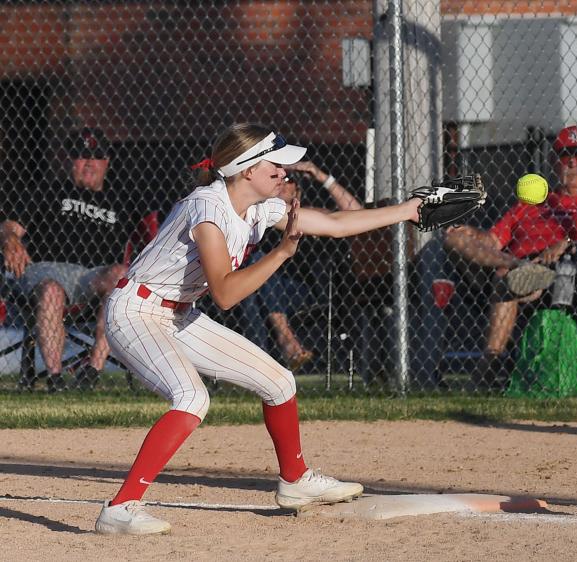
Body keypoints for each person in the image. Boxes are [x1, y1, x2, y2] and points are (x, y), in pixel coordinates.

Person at [93, 123, 423, 535]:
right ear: (246, 169)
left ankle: (296, 481)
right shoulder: (207, 210)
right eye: (276, 165)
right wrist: (283, 252)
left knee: (279, 382)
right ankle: (120, 508)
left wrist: (409, 211)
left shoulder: (256, 208)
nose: (285, 173)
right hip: (134, 312)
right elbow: (227, 295)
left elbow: (337, 223)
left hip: (177, 314)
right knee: (192, 398)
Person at [444, 125, 577, 389]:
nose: (572, 163)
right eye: (565, 156)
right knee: (456, 237)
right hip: (513, 267)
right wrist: (467, 233)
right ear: (553, 162)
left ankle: (488, 364)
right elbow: (492, 242)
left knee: (506, 278)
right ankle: (519, 267)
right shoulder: (532, 203)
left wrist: (569, 244)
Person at [0, 128, 135, 392]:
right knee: (51, 291)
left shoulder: (122, 200)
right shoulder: (47, 190)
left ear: (106, 161)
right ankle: (56, 378)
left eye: (95, 156)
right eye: (81, 155)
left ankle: (91, 372)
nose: (88, 162)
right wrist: (10, 240)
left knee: (121, 274)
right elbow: (9, 226)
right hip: (47, 273)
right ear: (69, 161)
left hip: (94, 276)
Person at [238, 160, 362, 371]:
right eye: (275, 177)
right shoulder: (259, 212)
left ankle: (269, 356)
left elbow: (356, 213)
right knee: (255, 274)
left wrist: (322, 175)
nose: (282, 182)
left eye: (288, 179)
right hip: (263, 289)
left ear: (298, 188)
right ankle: (266, 361)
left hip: (306, 291)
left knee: (259, 276)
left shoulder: (310, 215)